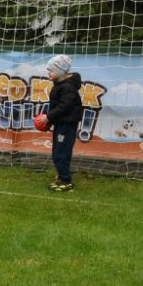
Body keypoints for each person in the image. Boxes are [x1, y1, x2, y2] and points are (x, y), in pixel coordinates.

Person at [34, 54, 83, 192]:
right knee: (57, 151)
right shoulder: (60, 84)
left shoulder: (67, 88)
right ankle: (62, 175)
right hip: (61, 124)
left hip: (66, 126)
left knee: (61, 153)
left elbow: (64, 106)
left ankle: (65, 181)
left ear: (60, 71)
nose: (48, 72)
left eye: (51, 70)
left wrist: (49, 117)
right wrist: (51, 119)